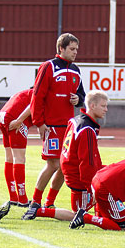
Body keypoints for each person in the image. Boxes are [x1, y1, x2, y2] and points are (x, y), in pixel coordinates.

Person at [23, 33, 86, 219]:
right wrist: (39, 123)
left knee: (64, 166)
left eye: (77, 49)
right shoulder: (48, 66)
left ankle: (49, 202)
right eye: (72, 49)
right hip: (51, 126)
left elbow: (82, 96)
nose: (75, 53)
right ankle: (34, 203)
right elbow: (37, 96)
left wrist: (78, 100)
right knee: (53, 164)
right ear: (61, 48)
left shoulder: (76, 70)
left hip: (68, 127)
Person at [23, 90, 108, 223]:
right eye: (103, 106)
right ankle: (40, 210)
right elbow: (87, 161)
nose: (106, 109)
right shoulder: (87, 129)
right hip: (78, 177)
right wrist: (92, 186)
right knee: (79, 215)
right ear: (92, 106)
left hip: (70, 171)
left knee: (110, 174)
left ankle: (45, 204)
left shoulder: (76, 120)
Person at [0, 88, 33, 207]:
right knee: (19, 158)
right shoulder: (39, 93)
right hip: (15, 117)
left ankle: (13, 197)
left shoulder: (24, 93)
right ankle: (22, 199)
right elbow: (33, 104)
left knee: (9, 157)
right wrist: (20, 120)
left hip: (3, 115)